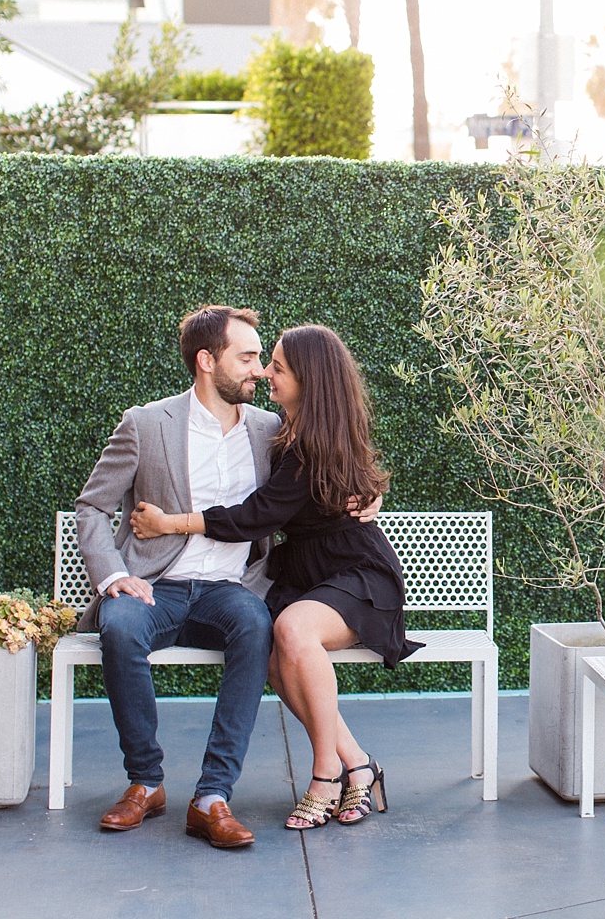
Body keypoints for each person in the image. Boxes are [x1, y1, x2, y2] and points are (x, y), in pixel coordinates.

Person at [130, 324, 421, 831]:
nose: (265, 372)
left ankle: (325, 772)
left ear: (309, 379)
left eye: (278, 367)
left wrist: (170, 523)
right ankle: (357, 764)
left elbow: (256, 515)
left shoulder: (314, 441)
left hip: (354, 574)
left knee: (293, 630)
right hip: (305, 571)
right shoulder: (283, 431)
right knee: (269, 648)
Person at [75, 305, 278, 849]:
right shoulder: (146, 423)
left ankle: (212, 796)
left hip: (229, 592)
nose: (260, 369)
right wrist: (113, 576)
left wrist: (366, 492)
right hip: (155, 587)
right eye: (249, 357)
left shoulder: (269, 429)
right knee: (118, 627)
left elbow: (319, 478)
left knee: (257, 627)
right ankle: (145, 782)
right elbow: (92, 507)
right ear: (207, 360)